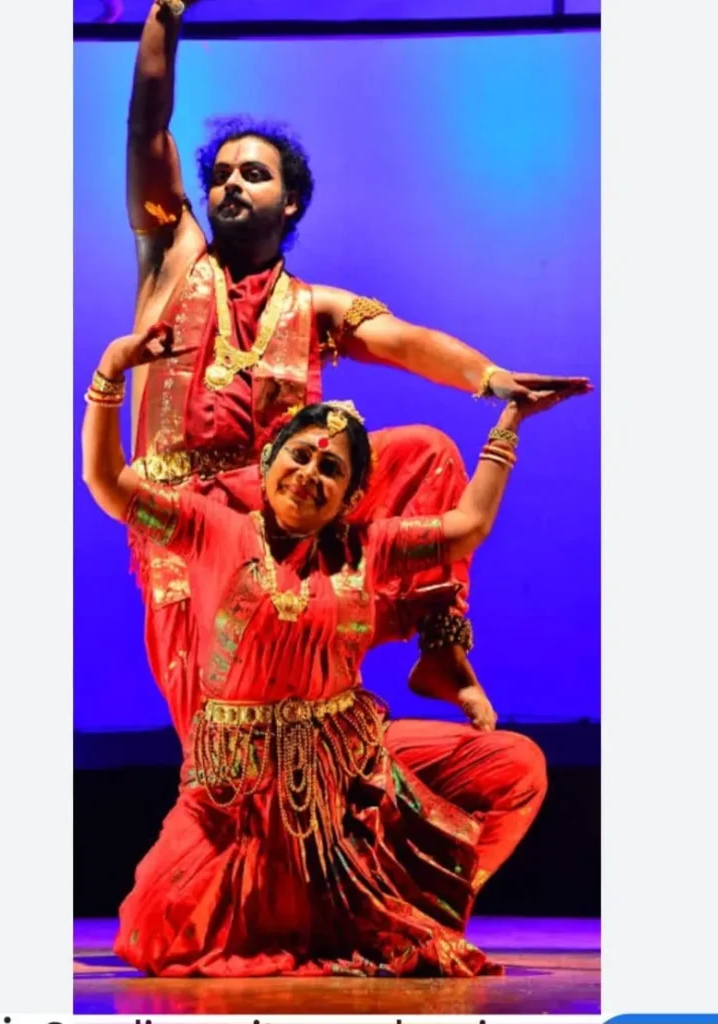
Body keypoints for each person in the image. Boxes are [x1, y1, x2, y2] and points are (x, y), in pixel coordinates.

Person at [123, 0, 590, 902]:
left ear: (288, 199)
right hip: (187, 540)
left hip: (279, 532)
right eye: (218, 176)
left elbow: (409, 341)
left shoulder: (319, 307)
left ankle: (439, 652)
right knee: (221, 762)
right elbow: (148, 126)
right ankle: (284, 885)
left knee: (419, 451)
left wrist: (492, 381)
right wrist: (162, 18)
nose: (227, 187)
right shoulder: (171, 260)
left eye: (250, 175)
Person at [82, 325, 589, 976]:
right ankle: (342, 907)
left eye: (330, 469)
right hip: (233, 795)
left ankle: (418, 906)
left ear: (350, 499)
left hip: (344, 777)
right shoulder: (208, 526)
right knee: (157, 932)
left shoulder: (368, 548)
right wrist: (111, 371)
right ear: (267, 467)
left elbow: (468, 527)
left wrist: (510, 422)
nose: (308, 474)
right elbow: (105, 480)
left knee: (515, 765)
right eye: (298, 457)